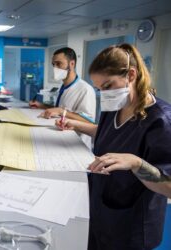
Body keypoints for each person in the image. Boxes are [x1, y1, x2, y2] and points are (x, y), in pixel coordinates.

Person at [56, 44, 171, 249]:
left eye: (108, 86)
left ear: (131, 75)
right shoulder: (115, 106)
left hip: (131, 222)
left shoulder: (161, 120)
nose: (104, 94)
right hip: (100, 208)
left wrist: (136, 163)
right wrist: (76, 125)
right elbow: (110, 133)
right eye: (99, 89)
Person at [29, 47, 96, 123]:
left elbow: (89, 121)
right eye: (53, 64)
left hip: (75, 134)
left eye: (58, 63)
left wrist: (61, 111)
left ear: (72, 64)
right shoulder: (64, 87)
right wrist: (41, 106)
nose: (55, 68)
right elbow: (59, 109)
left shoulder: (85, 89)